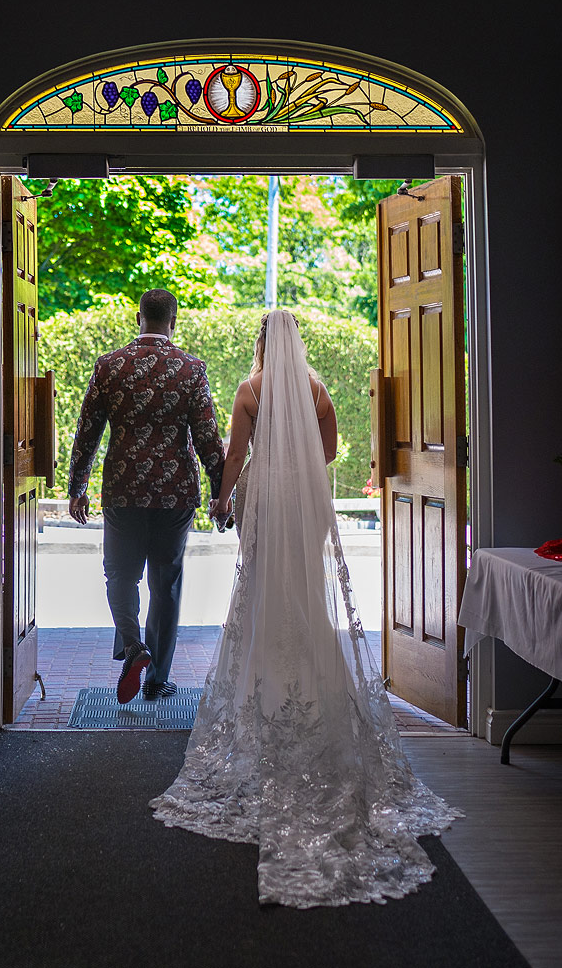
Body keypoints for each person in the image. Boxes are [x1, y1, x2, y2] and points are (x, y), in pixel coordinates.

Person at [151, 309, 460, 908]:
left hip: (266, 500)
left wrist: (224, 497)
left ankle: (267, 689)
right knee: (307, 599)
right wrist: (299, 477)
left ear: (264, 344)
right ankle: (314, 693)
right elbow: (330, 451)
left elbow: (236, 454)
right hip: (306, 503)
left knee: (264, 594)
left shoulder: (249, 389)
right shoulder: (316, 389)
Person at [67, 289, 225, 704]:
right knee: (165, 583)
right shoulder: (191, 369)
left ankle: (134, 646)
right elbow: (209, 439)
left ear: (138, 317)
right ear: (174, 320)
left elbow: (88, 432)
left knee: (120, 575)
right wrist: (221, 494)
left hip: (124, 489)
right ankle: (157, 679)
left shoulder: (109, 366)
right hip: (176, 495)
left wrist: (77, 488)